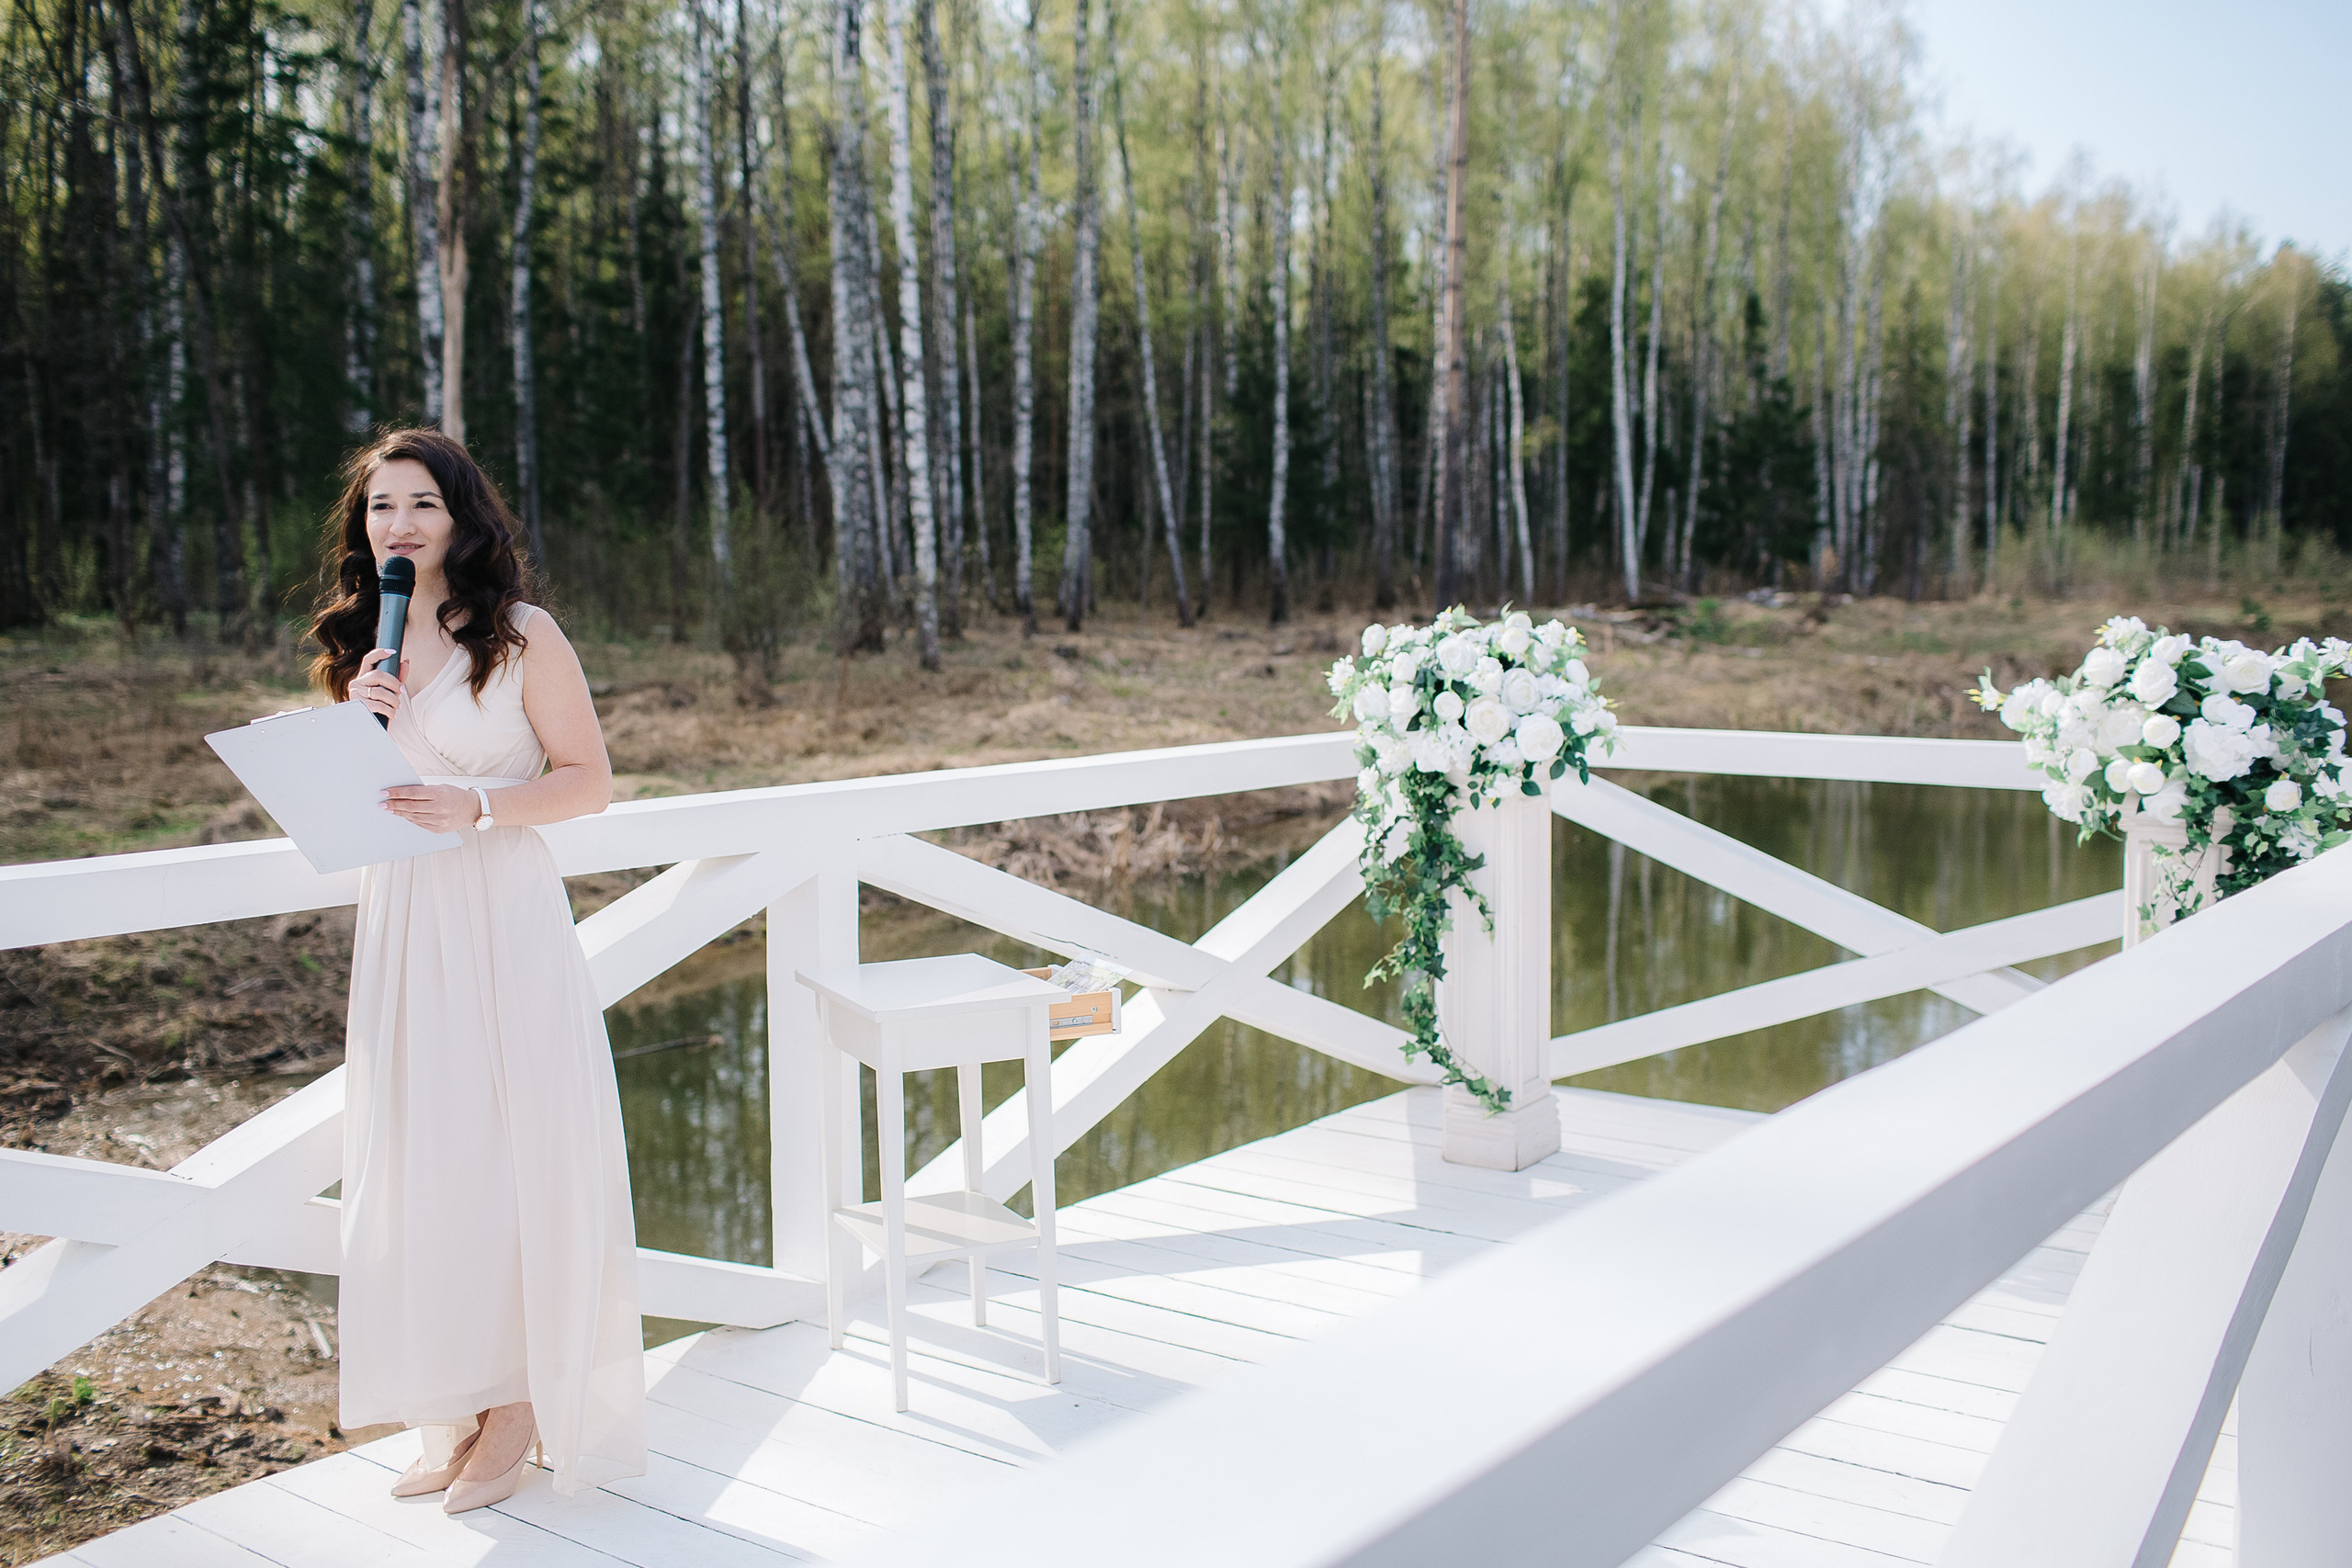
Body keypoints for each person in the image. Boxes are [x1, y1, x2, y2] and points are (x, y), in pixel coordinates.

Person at [308, 428, 645, 1512]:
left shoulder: (520, 633)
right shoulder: (367, 644)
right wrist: (350, 737)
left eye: (420, 504)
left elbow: (589, 780)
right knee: (428, 1153)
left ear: (461, 516)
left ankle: (519, 1402)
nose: (397, 524)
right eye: (378, 508)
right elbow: (360, 797)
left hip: (498, 900)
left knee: (512, 1148)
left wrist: (481, 801)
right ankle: (453, 1399)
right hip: (405, 912)